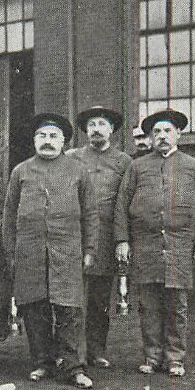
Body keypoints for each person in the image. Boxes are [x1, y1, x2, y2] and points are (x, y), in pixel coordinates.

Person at [114, 109, 195, 378]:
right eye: (156, 132)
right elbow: (121, 205)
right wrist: (122, 240)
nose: (161, 136)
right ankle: (152, 355)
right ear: (149, 137)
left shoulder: (194, 167)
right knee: (148, 305)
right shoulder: (137, 167)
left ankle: (175, 358)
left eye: (167, 131)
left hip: (179, 246)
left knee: (176, 305)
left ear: (179, 134)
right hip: (145, 246)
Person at [3, 113, 99, 388]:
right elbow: (9, 216)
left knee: (69, 310)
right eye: (42, 136)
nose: (47, 141)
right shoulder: (20, 172)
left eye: (53, 137)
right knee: (35, 310)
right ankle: (41, 363)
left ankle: (73, 367)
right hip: (30, 253)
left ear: (64, 141)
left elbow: (91, 213)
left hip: (67, 252)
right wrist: (12, 252)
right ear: (34, 140)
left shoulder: (78, 171)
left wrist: (89, 248)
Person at [67, 106, 131, 370]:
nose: (96, 129)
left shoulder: (124, 162)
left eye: (101, 124)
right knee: (74, 298)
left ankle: (97, 350)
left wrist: (121, 240)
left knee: (100, 300)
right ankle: (75, 352)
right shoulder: (72, 158)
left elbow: (125, 203)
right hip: (75, 236)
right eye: (91, 125)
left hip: (105, 238)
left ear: (111, 129)